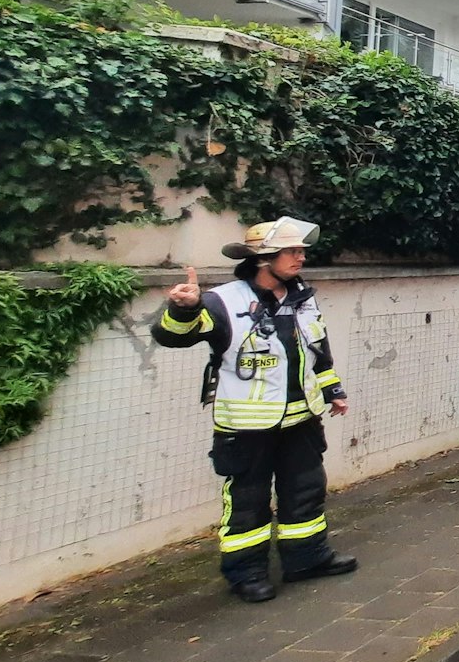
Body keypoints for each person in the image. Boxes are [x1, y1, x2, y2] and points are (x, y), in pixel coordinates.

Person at [151, 217, 357, 603]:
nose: (301, 257)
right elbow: (171, 338)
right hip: (247, 428)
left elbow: (318, 352)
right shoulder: (221, 301)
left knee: (306, 492)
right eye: (292, 251)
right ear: (264, 259)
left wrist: (334, 391)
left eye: (301, 250)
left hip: (301, 422)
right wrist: (184, 308)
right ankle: (246, 573)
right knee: (247, 503)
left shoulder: (302, 297)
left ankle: (306, 559)